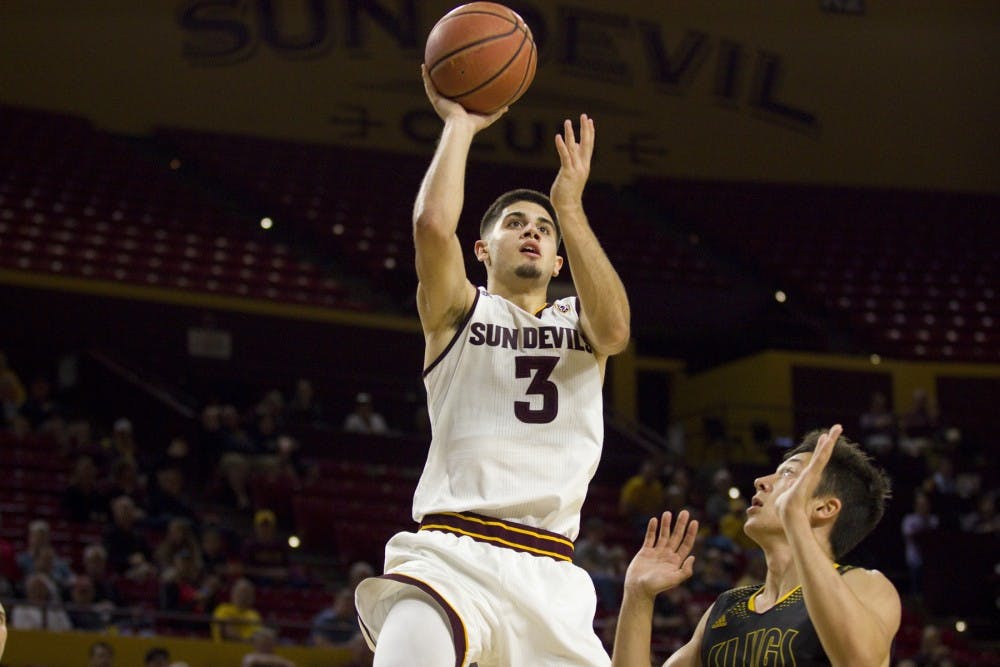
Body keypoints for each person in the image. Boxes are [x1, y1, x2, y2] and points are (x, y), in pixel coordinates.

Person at [354, 64, 630, 666]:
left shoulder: (580, 323)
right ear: (483, 250)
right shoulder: (457, 311)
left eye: (543, 230)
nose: (532, 233)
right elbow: (431, 226)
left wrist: (570, 208)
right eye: (515, 224)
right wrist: (459, 123)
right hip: (452, 553)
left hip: (550, 572)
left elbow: (617, 331)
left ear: (560, 260)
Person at [612, 425, 901, 666]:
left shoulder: (864, 585)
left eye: (788, 473)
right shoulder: (726, 609)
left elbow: (859, 661)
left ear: (824, 507)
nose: (761, 481)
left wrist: (796, 521)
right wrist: (638, 596)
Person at [212, 577, 262, 642]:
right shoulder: (223, 609)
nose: (243, 596)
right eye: (240, 592)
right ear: (232, 593)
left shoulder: (254, 615)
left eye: (246, 593)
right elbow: (227, 633)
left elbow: (256, 638)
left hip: (247, 650)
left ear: (252, 597)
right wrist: (244, 640)